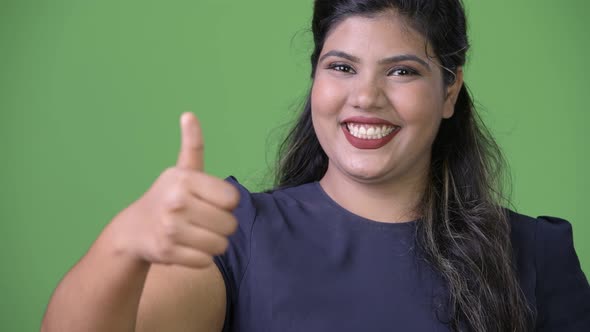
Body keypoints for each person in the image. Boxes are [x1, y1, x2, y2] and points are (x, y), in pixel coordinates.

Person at [41, 0, 590, 331]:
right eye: (342, 66)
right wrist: (123, 245)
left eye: (401, 72)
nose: (366, 97)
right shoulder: (235, 234)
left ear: (450, 91)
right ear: (315, 81)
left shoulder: (534, 255)